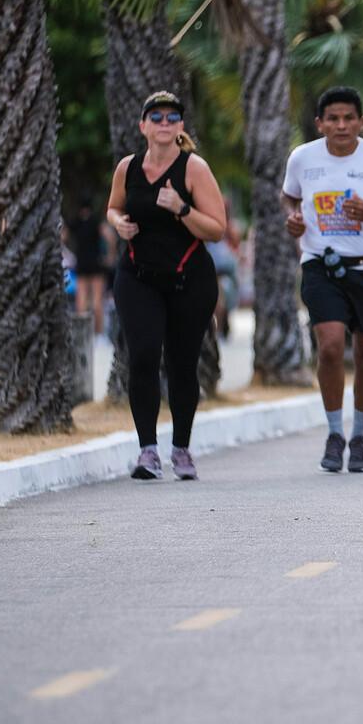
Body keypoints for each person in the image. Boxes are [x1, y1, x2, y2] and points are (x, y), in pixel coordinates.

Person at [282, 87, 363, 475]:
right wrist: (295, 219)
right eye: (332, 119)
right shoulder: (303, 158)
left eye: (348, 118)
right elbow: (289, 197)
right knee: (332, 347)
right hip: (321, 264)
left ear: (361, 122)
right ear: (319, 123)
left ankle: (360, 436)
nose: (341, 126)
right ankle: (335, 433)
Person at [106, 92, 226, 481]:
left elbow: (218, 229)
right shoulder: (128, 167)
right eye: (155, 116)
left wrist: (182, 209)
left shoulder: (194, 169)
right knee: (142, 355)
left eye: (172, 116)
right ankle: (148, 452)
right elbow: (114, 206)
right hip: (138, 276)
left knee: (181, 363)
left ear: (180, 127)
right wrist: (117, 223)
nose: (163, 122)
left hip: (189, 279)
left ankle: (182, 449)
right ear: (143, 126)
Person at [67, 197, 111, 335]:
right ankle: (98, 333)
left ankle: (83, 333)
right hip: (96, 262)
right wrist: (110, 255)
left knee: (81, 300)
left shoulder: (76, 222)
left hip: (81, 263)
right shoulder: (96, 221)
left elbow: (63, 235)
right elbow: (109, 236)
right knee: (98, 301)